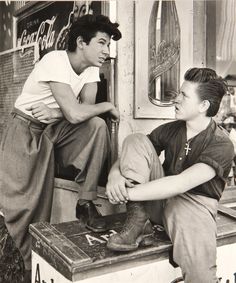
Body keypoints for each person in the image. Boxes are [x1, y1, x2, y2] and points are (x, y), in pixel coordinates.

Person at [0, 14, 121, 280]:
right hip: (25, 130)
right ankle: (18, 272)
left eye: (108, 45)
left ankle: (85, 202)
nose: (106, 51)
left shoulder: (90, 69)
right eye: (101, 43)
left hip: (54, 129)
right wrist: (107, 106)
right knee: (23, 207)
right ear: (81, 42)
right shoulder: (55, 60)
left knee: (97, 127)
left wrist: (59, 113)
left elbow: (83, 113)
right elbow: (77, 113)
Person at [106, 68, 234, 283]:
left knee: (201, 275)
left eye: (184, 95)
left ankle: (140, 216)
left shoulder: (221, 144)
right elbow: (137, 150)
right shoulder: (172, 129)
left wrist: (126, 194)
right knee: (136, 139)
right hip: (158, 198)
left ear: (203, 106)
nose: (176, 99)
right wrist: (114, 175)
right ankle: (139, 221)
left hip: (194, 206)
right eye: (179, 93)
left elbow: (180, 183)